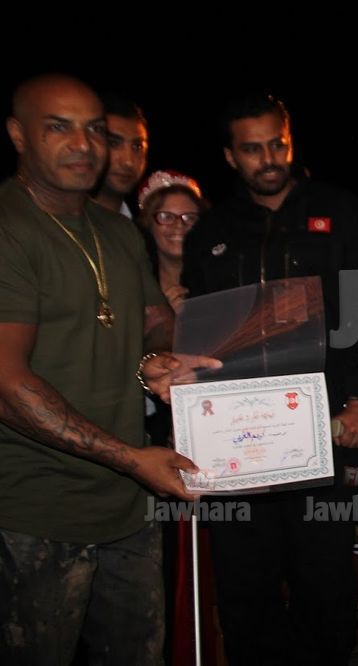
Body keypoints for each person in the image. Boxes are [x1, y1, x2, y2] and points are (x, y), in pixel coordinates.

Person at [0, 73, 212, 665]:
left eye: (95, 129)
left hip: (126, 509)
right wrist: (132, 459)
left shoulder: (118, 232)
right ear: (18, 135)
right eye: (58, 127)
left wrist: (159, 362)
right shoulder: (9, 228)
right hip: (32, 513)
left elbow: (152, 324)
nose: (83, 144)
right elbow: (7, 386)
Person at [181, 93, 358, 665]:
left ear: (291, 141)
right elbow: (196, 336)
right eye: (252, 149)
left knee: (325, 582)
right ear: (230, 156)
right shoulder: (211, 231)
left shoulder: (341, 212)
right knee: (244, 588)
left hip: (322, 431)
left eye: (277, 144)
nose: (268, 158)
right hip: (235, 444)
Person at [137, 170, 204, 313]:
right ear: (149, 223)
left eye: (189, 218)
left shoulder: (216, 280)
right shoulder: (135, 285)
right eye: (166, 217)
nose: (179, 225)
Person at [92, 93, 148, 218]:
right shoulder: (55, 221)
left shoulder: (139, 229)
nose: (128, 161)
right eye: (113, 143)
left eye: (137, 147)